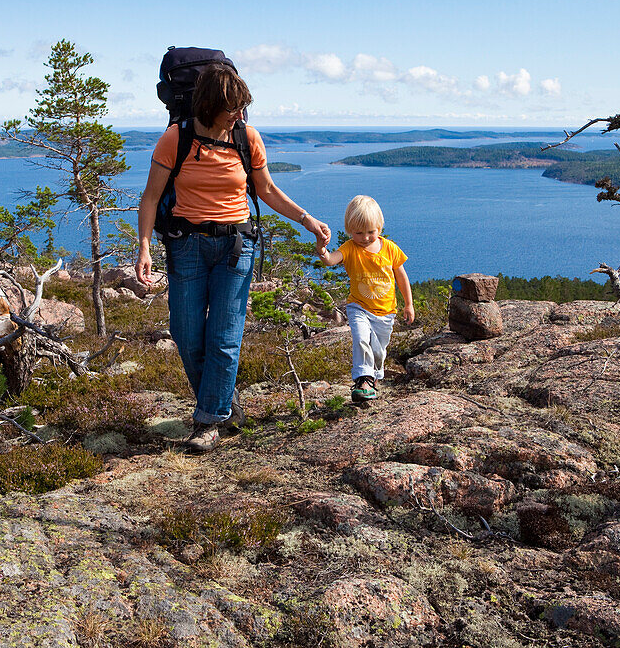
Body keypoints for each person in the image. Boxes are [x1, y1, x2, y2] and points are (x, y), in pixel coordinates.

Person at [135, 64, 331, 452]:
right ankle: (224, 403)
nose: (239, 116)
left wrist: (307, 219)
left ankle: (208, 420)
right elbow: (151, 197)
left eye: (242, 108)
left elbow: (268, 190)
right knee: (187, 334)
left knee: (224, 337)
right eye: (232, 109)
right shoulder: (176, 138)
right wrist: (143, 246)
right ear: (209, 106)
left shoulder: (246, 137)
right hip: (186, 244)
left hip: (236, 247)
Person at [316, 195, 414, 403]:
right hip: (358, 306)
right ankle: (363, 380)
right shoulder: (350, 247)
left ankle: (372, 380)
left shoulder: (390, 248)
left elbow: (401, 276)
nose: (366, 237)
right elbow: (331, 260)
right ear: (350, 229)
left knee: (378, 351)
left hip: (386, 311)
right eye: (359, 233)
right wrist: (322, 250)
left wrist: (409, 304)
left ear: (379, 227)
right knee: (362, 339)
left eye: (371, 231)